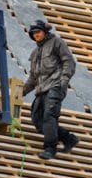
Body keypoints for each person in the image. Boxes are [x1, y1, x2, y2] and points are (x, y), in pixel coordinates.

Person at [22, 20, 78, 160]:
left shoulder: (56, 42)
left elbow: (69, 62)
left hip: (55, 86)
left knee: (49, 116)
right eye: (33, 33)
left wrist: (63, 80)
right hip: (41, 89)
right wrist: (20, 93)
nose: (36, 35)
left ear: (45, 32)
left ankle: (50, 148)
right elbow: (33, 78)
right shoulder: (35, 52)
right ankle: (68, 138)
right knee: (37, 120)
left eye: (38, 32)